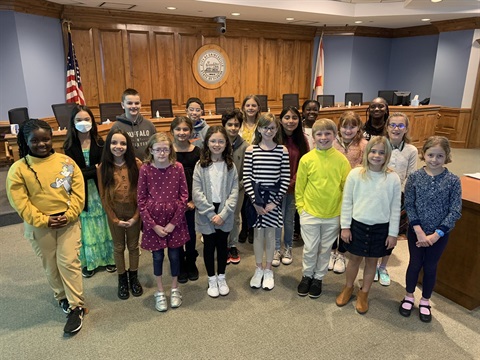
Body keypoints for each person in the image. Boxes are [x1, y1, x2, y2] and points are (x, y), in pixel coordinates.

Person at [6, 119, 87, 334]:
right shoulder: (19, 169)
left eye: (46, 139)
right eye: (35, 140)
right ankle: (61, 296)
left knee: (69, 261)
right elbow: (20, 202)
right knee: (51, 265)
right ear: (25, 141)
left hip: (68, 222)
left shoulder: (66, 162)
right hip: (40, 225)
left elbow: (78, 192)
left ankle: (76, 306)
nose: (42, 144)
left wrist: (69, 215)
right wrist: (45, 220)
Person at [336, 136, 401, 314]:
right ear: (367, 152)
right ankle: (348, 287)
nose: (377, 155)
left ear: (387, 155)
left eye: (382, 152)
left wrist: (393, 233)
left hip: (381, 228)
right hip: (357, 225)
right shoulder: (355, 174)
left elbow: (395, 207)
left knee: (372, 262)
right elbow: (347, 201)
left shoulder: (393, 178)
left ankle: (364, 293)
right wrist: (345, 227)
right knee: (354, 259)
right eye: (373, 151)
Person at [400, 136, 461, 322]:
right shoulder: (415, 177)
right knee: (415, 264)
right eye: (431, 155)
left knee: (430, 266)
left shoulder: (453, 180)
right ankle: (409, 295)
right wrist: (418, 230)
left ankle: (425, 300)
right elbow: (409, 204)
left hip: (439, 235)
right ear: (423, 154)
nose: (434, 160)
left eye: (440, 156)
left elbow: (455, 210)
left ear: (447, 157)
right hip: (416, 231)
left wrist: (437, 234)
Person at [296, 119, 351, 299]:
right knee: (310, 248)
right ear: (313, 138)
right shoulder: (307, 159)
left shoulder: (342, 161)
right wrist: (301, 209)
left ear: (335, 136)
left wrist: (343, 216)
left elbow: (346, 190)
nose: (323, 137)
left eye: (328, 133)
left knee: (325, 249)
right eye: (319, 134)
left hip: (333, 214)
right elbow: (300, 187)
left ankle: (318, 278)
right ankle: (307, 275)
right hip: (309, 213)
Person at [137, 133, 189, 312]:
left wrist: (173, 223)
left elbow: (184, 197)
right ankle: (159, 290)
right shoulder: (145, 169)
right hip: (155, 220)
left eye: (165, 149)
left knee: (175, 255)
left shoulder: (178, 167)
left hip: (174, 219)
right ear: (151, 150)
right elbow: (141, 200)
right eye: (157, 149)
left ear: (170, 150)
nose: (161, 153)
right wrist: (153, 225)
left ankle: (174, 288)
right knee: (157, 256)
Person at [63, 105, 115, 278]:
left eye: (87, 119)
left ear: (93, 122)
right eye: (79, 120)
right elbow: (72, 174)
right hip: (81, 192)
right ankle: (91, 262)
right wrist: (93, 169)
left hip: (100, 189)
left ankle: (109, 259)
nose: (83, 123)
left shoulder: (100, 143)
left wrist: (87, 171)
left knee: (103, 223)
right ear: (72, 123)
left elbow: (105, 168)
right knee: (86, 226)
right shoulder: (69, 146)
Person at [243, 113, 290, 290]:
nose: (268, 131)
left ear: (277, 129)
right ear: (259, 129)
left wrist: (274, 203)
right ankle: (258, 268)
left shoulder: (282, 150)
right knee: (257, 235)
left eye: (272, 127)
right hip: (256, 199)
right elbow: (247, 177)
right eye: (265, 127)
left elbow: (285, 178)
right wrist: (255, 202)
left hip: (273, 200)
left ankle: (268, 269)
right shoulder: (251, 150)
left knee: (271, 235)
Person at [97, 128, 143, 300]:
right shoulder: (103, 168)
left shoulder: (136, 165)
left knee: (133, 246)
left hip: (133, 212)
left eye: (123, 143)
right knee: (118, 247)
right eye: (114, 142)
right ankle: (122, 279)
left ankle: (133, 277)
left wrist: (136, 216)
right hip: (114, 213)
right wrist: (114, 219)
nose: (118, 146)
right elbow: (103, 196)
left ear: (128, 146)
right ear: (108, 145)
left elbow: (142, 193)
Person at [193, 126, 239, 297]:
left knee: (222, 246)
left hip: (224, 210)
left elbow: (234, 192)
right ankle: (211, 278)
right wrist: (211, 214)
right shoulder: (201, 165)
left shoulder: (230, 166)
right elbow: (197, 193)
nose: (217, 144)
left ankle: (221, 276)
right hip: (207, 212)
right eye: (213, 141)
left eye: (221, 141)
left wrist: (224, 213)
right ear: (207, 143)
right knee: (209, 245)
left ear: (226, 143)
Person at [375, 112, 418, 286]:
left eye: (400, 126)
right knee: (377, 229)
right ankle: (372, 263)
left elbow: (411, 175)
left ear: (406, 129)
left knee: (390, 232)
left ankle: (383, 266)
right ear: (387, 127)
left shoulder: (411, 150)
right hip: (378, 194)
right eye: (392, 125)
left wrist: (399, 195)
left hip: (397, 197)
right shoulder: (380, 145)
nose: (396, 129)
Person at [330, 111, 367, 274]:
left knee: (346, 223)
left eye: (352, 127)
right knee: (333, 221)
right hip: (333, 187)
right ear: (340, 127)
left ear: (358, 128)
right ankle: (331, 252)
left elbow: (365, 166)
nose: (348, 130)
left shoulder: (363, 144)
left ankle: (341, 253)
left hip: (354, 189)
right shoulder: (332, 142)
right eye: (345, 127)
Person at [273, 106, 309, 267]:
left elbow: (305, 165)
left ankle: (287, 247)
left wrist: (292, 182)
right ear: (280, 120)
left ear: (299, 120)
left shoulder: (302, 140)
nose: (290, 121)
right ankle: (275, 249)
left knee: (288, 220)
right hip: (274, 188)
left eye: (294, 117)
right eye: (287, 117)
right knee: (275, 220)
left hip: (294, 187)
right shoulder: (274, 138)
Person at [170, 116, 201, 283]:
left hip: (191, 202)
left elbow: (201, 179)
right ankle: (179, 262)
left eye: (185, 129)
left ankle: (191, 261)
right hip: (173, 202)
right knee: (175, 232)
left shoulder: (197, 152)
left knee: (190, 233)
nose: (182, 133)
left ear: (191, 131)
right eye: (178, 129)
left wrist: (194, 200)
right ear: (172, 131)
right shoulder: (168, 152)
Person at [222, 109, 248, 264]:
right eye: (229, 124)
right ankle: (223, 245)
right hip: (220, 190)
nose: (233, 128)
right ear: (224, 125)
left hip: (238, 189)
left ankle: (232, 244)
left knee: (235, 218)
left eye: (236, 125)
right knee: (222, 217)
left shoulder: (245, 146)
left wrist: (239, 186)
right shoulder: (218, 142)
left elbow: (248, 171)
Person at [239, 95, 262, 244]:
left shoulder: (262, 124)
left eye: (254, 105)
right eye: (248, 105)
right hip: (241, 164)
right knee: (242, 198)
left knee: (254, 197)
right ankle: (244, 228)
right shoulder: (238, 124)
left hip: (258, 164)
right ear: (243, 108)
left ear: (258, 108)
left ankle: (253, 227)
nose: (251, 108)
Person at [110, 88, 156, 159]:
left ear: (141, 104)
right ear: (122, 105)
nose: (134, 106)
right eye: (129, 103)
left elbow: (156, 146)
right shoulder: (117, 127)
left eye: (137, 103)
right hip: (127, 166)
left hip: (147, 166)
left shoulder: (149, 125)